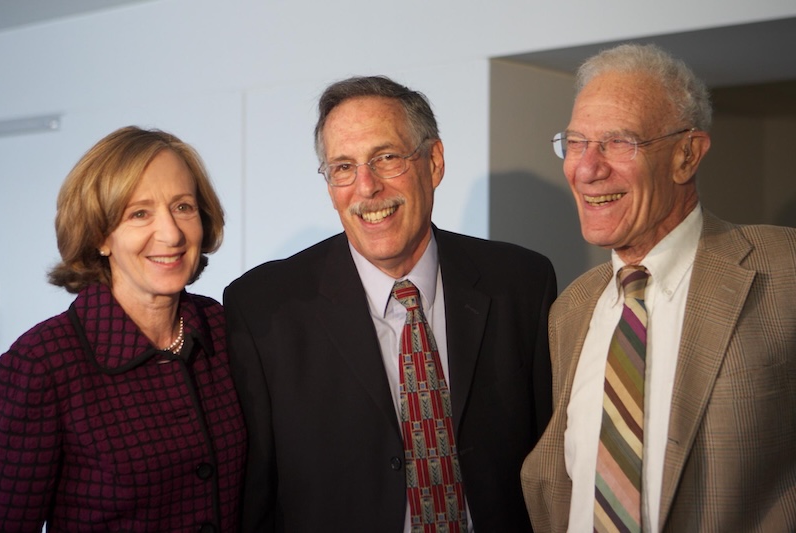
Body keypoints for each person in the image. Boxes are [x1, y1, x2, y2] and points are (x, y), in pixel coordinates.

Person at [224, 75, 556, 532]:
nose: (366, 187)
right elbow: (257, 497)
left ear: (434, 162)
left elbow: (552, 464)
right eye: (343, 167)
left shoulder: (522, 283)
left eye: (386, 158)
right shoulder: (263, 308)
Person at [521, 43, 796, 532]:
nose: (587, 169)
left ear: (686, 155)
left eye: (618, 142)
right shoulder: (570, 309)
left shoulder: (784, 269)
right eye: (577, 142)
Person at [0, 126, 246, 532]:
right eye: (139, 213)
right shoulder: (41, 364)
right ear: (100, 236)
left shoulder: (222, 328)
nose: (171, 233)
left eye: (183, 207)